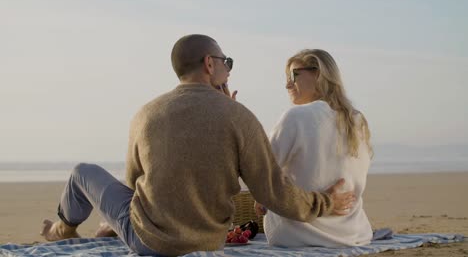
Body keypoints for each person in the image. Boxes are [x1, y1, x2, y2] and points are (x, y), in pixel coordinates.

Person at [40, 35, 356, 256]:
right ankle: (91, 227)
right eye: (226, 62)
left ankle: (62, 229)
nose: (229, 69)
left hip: (148, 242)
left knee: (83, 172)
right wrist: (326, 203)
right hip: (209, 241)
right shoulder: (240, 117)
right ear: (209, 64)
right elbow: (273, 192)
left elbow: (136, 185)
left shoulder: (145, 115)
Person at [254, 49, 374, 248]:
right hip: (354, 234)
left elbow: (261, 171)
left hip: (298, 235)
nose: (287, 84)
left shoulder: (296, 117)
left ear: (318, 74)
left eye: (294, 75)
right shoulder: (357, 120)